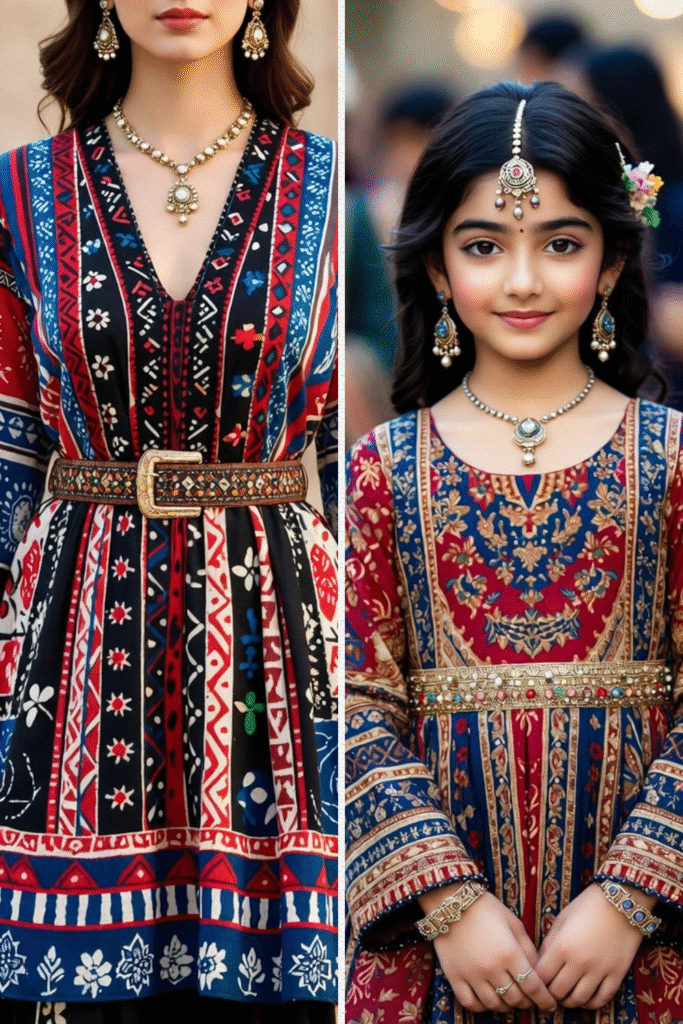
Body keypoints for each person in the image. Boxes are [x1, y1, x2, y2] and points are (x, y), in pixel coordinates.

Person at [0, 1, 337, 1021]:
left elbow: (358, 463)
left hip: (285, 655)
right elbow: (8, 449)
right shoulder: (21, 192)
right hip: (70, 651)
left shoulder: (329, 188)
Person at [345, 80, 683, 1024]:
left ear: (611, 261)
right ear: (437, 265)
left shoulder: (671, 462)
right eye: (484, 245)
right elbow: (350, 704)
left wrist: (630, 895)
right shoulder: (384, 469)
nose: (522, 280)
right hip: (438, 956)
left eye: (561, 244)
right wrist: (447, 902)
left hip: (647, 948)